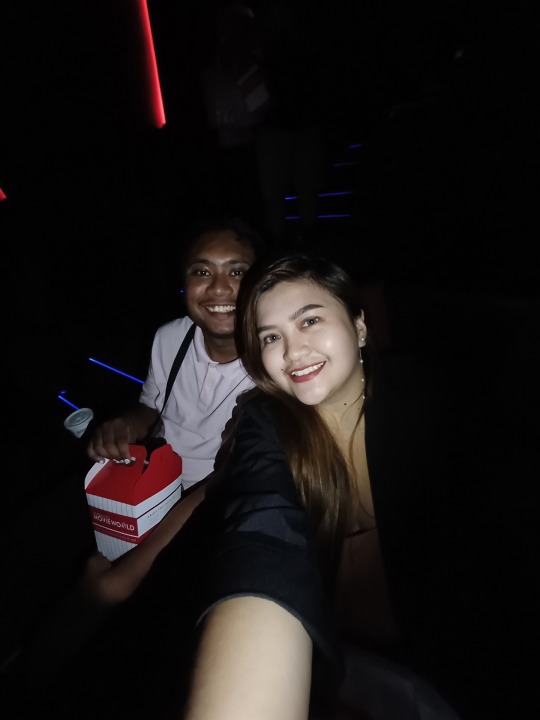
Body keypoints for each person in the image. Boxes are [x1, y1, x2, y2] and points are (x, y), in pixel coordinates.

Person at [182, 252, 469, 719]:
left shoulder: (430, 397)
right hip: (335, 675)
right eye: (271, 336)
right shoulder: (267, 424)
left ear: (359, 326)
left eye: (310, 320)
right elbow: (260, 535)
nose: (292, 351)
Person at [79, 216, 264, 604]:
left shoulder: (274, 361)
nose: (218, 287)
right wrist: (126, 425)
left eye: (237, 271)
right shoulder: (170, 337)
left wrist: (125, 577)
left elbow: (228, 476)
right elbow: (152, 406)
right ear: (184, 281)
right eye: (202, 271)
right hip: (155, 486)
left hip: (218, 506)